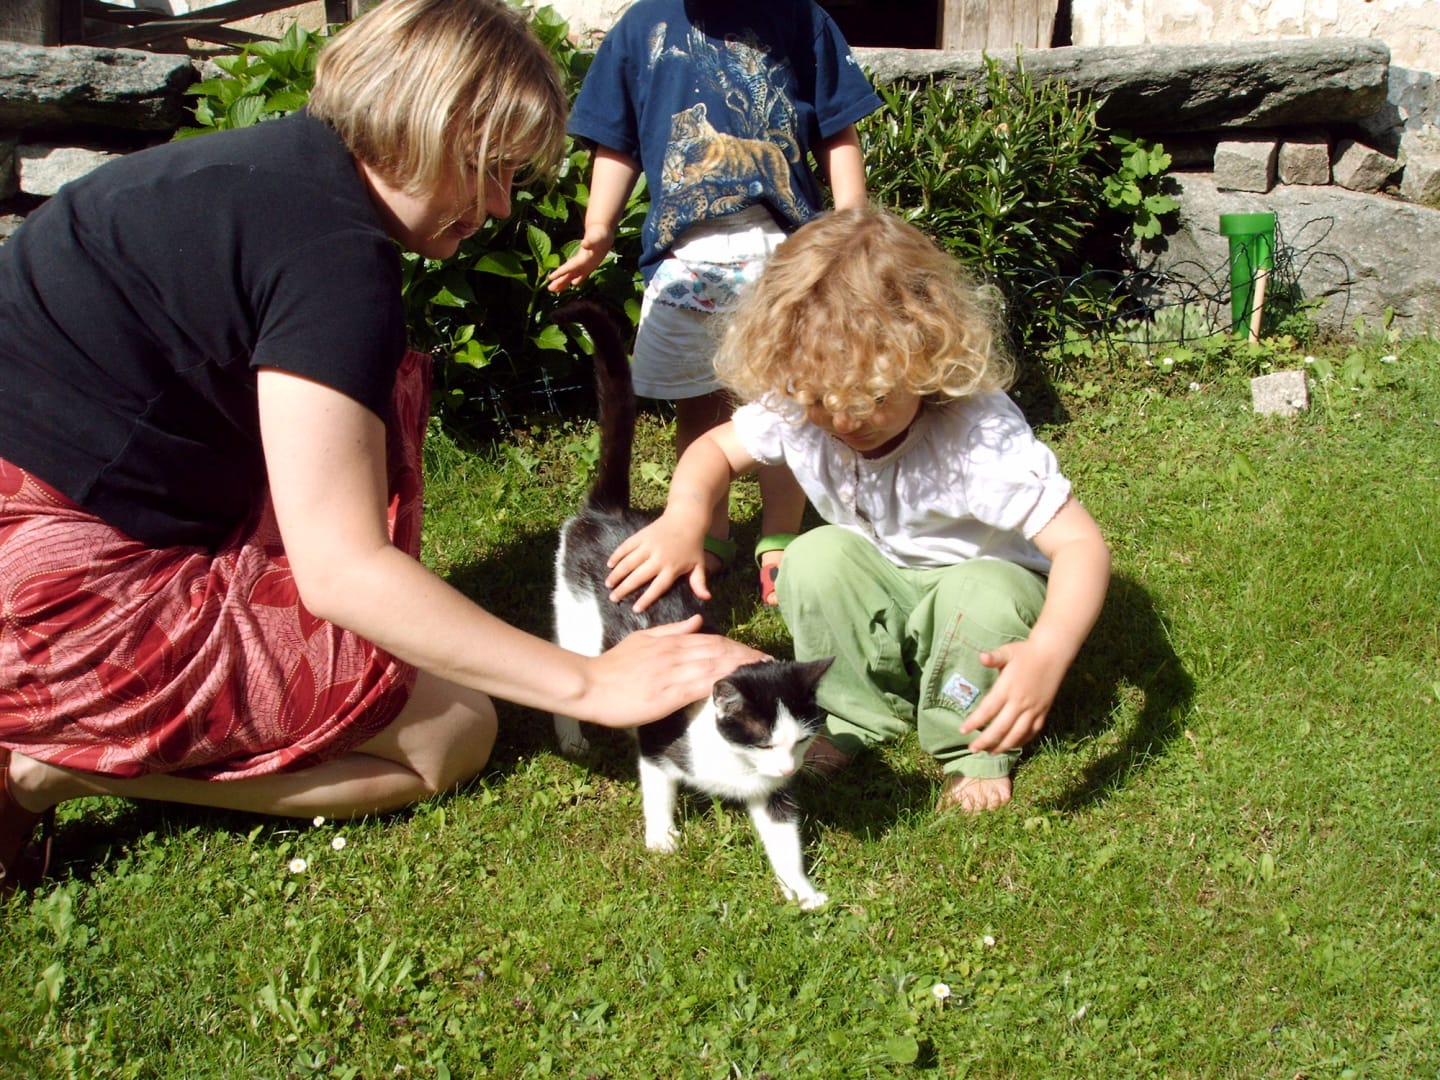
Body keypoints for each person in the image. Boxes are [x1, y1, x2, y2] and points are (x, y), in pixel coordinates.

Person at [0, 0, 763, 898]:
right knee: (451, 733)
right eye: (494, 168)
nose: (499, 205)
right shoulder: (331, 255)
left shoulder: (259, 173)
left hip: (46, 541)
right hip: (51, 609)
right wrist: (590, 685)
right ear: (438, 125)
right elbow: (342, 571)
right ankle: (41, 767)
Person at [604, 206, 1112, 814]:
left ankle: (971, 743)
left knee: (981, 595)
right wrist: (685, 518)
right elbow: (715, 450)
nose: (845, 420)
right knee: (814, 557)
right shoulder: (800, 402)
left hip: (987, 584)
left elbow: (1081, 546)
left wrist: (1048, 651)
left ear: (925, 355)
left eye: (872, 396)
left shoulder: (976, 436)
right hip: (890, 574)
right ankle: (854, 713)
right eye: (820, 398)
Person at [545, 0, 881, 605]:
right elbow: (616, 140)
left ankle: (780, 537)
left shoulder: (800, 18)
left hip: (785, 252)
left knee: (788, 403)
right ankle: (707, 530)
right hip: (687, 260)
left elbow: (837, 127)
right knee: (697, 403)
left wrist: (853, 223)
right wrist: (597, 230)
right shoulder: (640, 28)